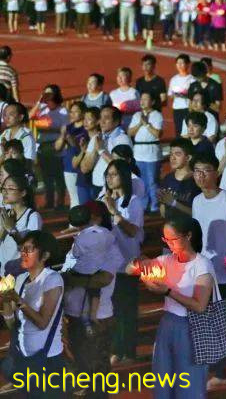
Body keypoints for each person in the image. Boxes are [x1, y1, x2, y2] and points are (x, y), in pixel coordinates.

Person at [128, 216, 213, 399]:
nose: (169, 243)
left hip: (193, 328)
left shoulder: (202, 265)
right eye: (165, 239)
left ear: (188, 236)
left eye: (173, 239)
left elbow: (199, 306)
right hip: (168, 324)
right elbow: (129, 269)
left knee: (189, 383)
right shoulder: (166, 260)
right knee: (163, 380)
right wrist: (141, 264)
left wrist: (167, 292)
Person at [189, 152, 226, 387]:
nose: (201, 176)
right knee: (212, 328)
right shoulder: (196, 201)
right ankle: (221, 372)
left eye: (205, 170)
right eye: (196, 171)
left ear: (217, 172)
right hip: (208, 275)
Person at [62, 202, 119, 399]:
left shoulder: (107, 242)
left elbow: (103, 278)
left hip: (98, 318)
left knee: (97, 375)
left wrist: (72, 279)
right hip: (75, 316)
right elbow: (68, 270)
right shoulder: (79, 242)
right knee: (80, 373)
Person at [0, 231, 65, 398]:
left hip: (47, 361)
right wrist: (6, 300)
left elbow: (43, 322)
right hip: (25, 358)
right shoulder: (21, 280)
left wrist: (17, 299)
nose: (23, 253)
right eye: (22, 249)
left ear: (45, 255)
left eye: (29, 249)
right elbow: (12, 324)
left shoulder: (52, 279)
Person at [101, 159, 144, 367]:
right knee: (113, 310)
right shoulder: (104, 199)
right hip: (109, 265)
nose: (109, 178)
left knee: (127, 310)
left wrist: (113, 211)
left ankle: (129, 351)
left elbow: (132, 231)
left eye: (114, 174)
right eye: (107, 174)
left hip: (128, 263)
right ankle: (116, 349)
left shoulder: (133, 201)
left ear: (124, 177)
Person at [30, 86, 68, 211]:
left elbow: (65, 128)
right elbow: (30, 116)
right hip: (42, 145)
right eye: (45, 93)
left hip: (56, 144)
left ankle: (60, 202)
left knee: (58, 176)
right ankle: (49, 201)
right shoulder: (42, 108)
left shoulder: (63, 111)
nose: (47, 96)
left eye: (49, 94)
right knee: (46, 176)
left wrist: (48, 128)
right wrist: (39, 102)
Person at [0, 175, 43, 276]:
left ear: (23, 193)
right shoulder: (5, 215)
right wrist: (3, 228)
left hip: (21, 274)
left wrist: (12, 229)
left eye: (10, 188)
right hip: (3, 273)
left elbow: (32, 250)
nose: (5, 192)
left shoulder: (32, 217)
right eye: (3, 188)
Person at [128, 91, 163, 213]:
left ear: (152, 102)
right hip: (138, 152)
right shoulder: (136, 115)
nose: (142, 101)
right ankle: (143, 205)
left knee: (152, 181)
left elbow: (157, 134)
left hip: (152, 153)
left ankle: (155, 205)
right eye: (141, 99)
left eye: (145, 99)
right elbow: (130, 133)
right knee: (140, 181)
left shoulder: (157, 115)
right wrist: (139, 123)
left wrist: (147, 124)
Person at [156, 138, 200, 220]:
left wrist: (173, 203)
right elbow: (163, 208)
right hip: (170, 228)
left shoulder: (198, 180)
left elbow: (199, 213)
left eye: (178, 154)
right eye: (171, 154)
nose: (172, 158)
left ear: (188, 157)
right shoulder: (168, 178)